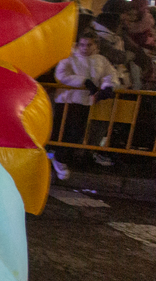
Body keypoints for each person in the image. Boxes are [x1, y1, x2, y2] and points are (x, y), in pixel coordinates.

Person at [51, 26, 121, 179]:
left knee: (76, 132)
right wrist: (84, 81)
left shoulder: (100, 60)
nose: (85, 48)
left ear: (95, 45)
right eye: (82, 45)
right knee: (65, 131)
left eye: (89, 45)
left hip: (85, 101)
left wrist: (108, 87)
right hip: (67, 99)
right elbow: (62, 74)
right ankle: (59, 159)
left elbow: (110, 74)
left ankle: (60, 158)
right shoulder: (70, 57)